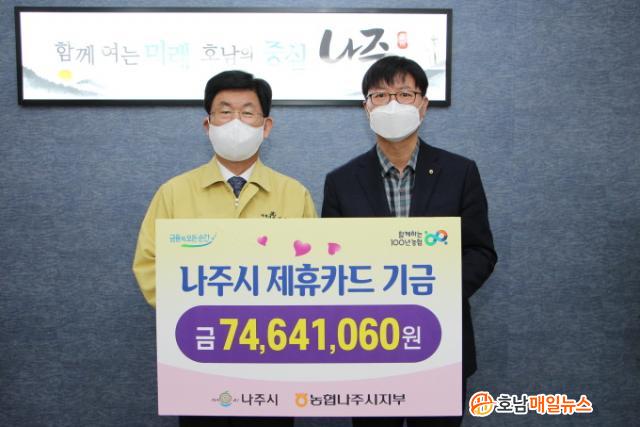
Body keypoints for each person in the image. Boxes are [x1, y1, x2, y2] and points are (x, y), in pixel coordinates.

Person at [133, 70, 316, 427]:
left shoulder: (294, 194)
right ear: (208, 124)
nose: (236, 122)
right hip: (200, 353)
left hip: (272, 356)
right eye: (225, 111)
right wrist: (200, 314)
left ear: (266, 126)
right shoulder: (174, 193)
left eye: (247, 112)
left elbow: (315, 271)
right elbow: (149, 265)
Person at [322, 56, 497, 427]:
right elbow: (330, 259)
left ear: (423, 104)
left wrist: (434, 292)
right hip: (368, 345)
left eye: (404, 94)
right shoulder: (341, 181)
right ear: (366, 107)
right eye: (380, 95)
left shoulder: (460, 172)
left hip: (440, 341)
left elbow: (480, 252)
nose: (393, 105)